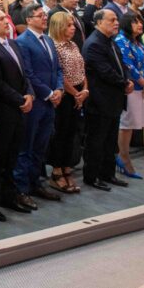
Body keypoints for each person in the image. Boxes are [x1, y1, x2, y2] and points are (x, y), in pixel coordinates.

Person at [0, 9, 35, 217]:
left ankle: (8, 195)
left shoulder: (12, 43)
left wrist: (29, 94)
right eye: (1, 19)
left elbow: (24, 74)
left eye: (6, 18)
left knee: (12, 156)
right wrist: (21, 99)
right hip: (4, 110)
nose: (7, 22)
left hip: (19, 108)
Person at [14, 4, 64, 208]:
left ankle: (36, 183)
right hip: (36, 102)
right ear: (28, 20)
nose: (45, 18)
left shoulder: (48, 40)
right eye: (40, 15)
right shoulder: (22, 42)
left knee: (41, 147)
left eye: (45, 15)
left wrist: (59, 88)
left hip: (50, 101)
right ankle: (21, 189)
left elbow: (57, 68)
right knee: (26, 147)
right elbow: (28, 74)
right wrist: (49, 93)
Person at [81, 9, 133, 192]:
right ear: (99, 22)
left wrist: (127, 79)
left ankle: (107, 173)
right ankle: (92, 176)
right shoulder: (94, 43)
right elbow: (105, 71)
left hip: (113, 100)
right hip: (99, 101)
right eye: (112, 20)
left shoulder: (110, 41)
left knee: (110, 141)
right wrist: (124, 83)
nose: (116, 23)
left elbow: (121, 65)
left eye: (116, 19)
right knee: (96, 141)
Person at [45, 11, 88, 193]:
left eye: (73, 25)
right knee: (60, 134)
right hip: (65, 95)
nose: (73, 28)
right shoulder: (54, 46)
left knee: (72, 133)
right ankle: (57, 171)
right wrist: (76, 93)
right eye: (69, 25)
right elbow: (60, 74)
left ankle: (66, 167)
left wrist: (85, 89)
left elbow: (82, 70)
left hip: (78, 92)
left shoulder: (73, 44)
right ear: (59, 27)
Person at [113, 12, 144, 179]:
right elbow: (128, 65)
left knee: (133, 124)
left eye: (140, 21)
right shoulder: (121, 40)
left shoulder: (137, 41)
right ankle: (123, 157)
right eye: (135, 22)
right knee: (126, 125)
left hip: (141, 87)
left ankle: (124, 157)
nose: (140, 24)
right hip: (131, 87)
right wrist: (143, 82)